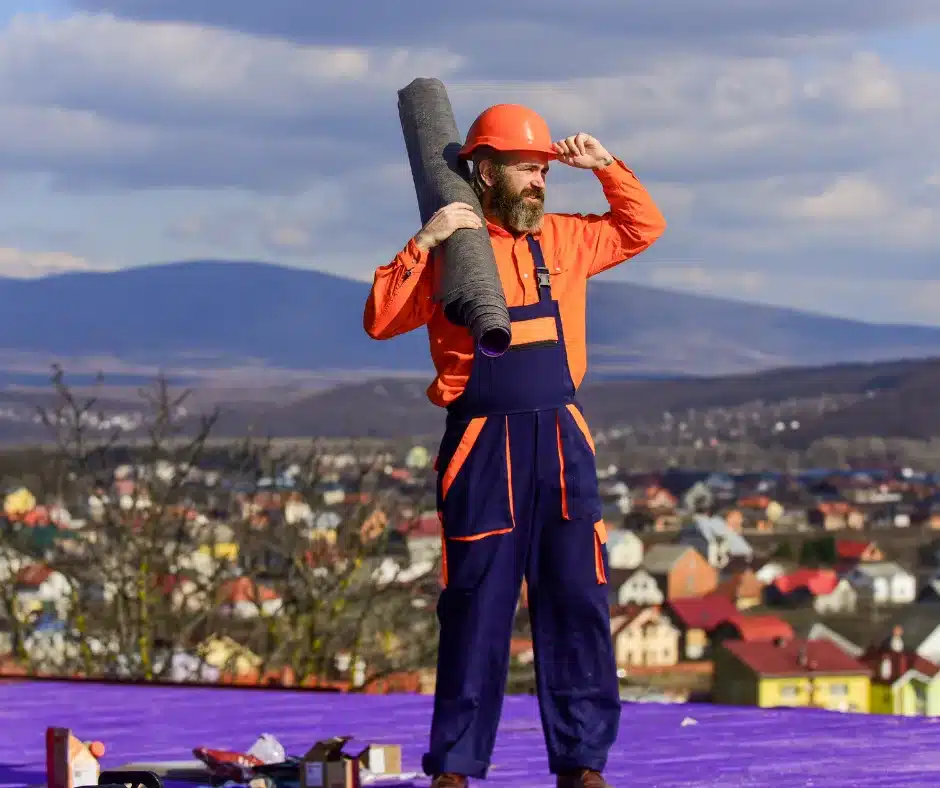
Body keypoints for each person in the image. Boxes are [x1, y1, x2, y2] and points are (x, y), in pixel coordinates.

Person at [363, 103, 666, 788]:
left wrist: (607, 168)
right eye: (529, 169)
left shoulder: (565, 238)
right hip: (481, 443)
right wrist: (428, 240)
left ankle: (583, 762)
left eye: (544, 171)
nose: (540, 182)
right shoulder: (452, 253)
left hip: (561, 436)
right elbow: (379, 320)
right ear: (487, 169)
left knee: (578, 599)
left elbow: (644, 228)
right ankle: (457, 766)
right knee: (475, 603)